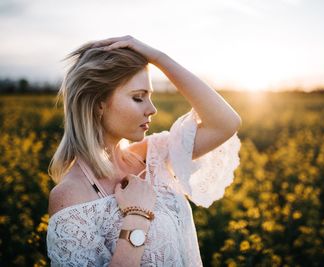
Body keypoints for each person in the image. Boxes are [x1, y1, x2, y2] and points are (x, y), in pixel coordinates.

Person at [46, 35, 242, 266]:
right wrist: (137, 216)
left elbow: (226, 123)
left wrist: (159, 58)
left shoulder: (155, 155)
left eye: (150, 96)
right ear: (98, 103)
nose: (152, 109)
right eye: (138, 98)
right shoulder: (71, 196)